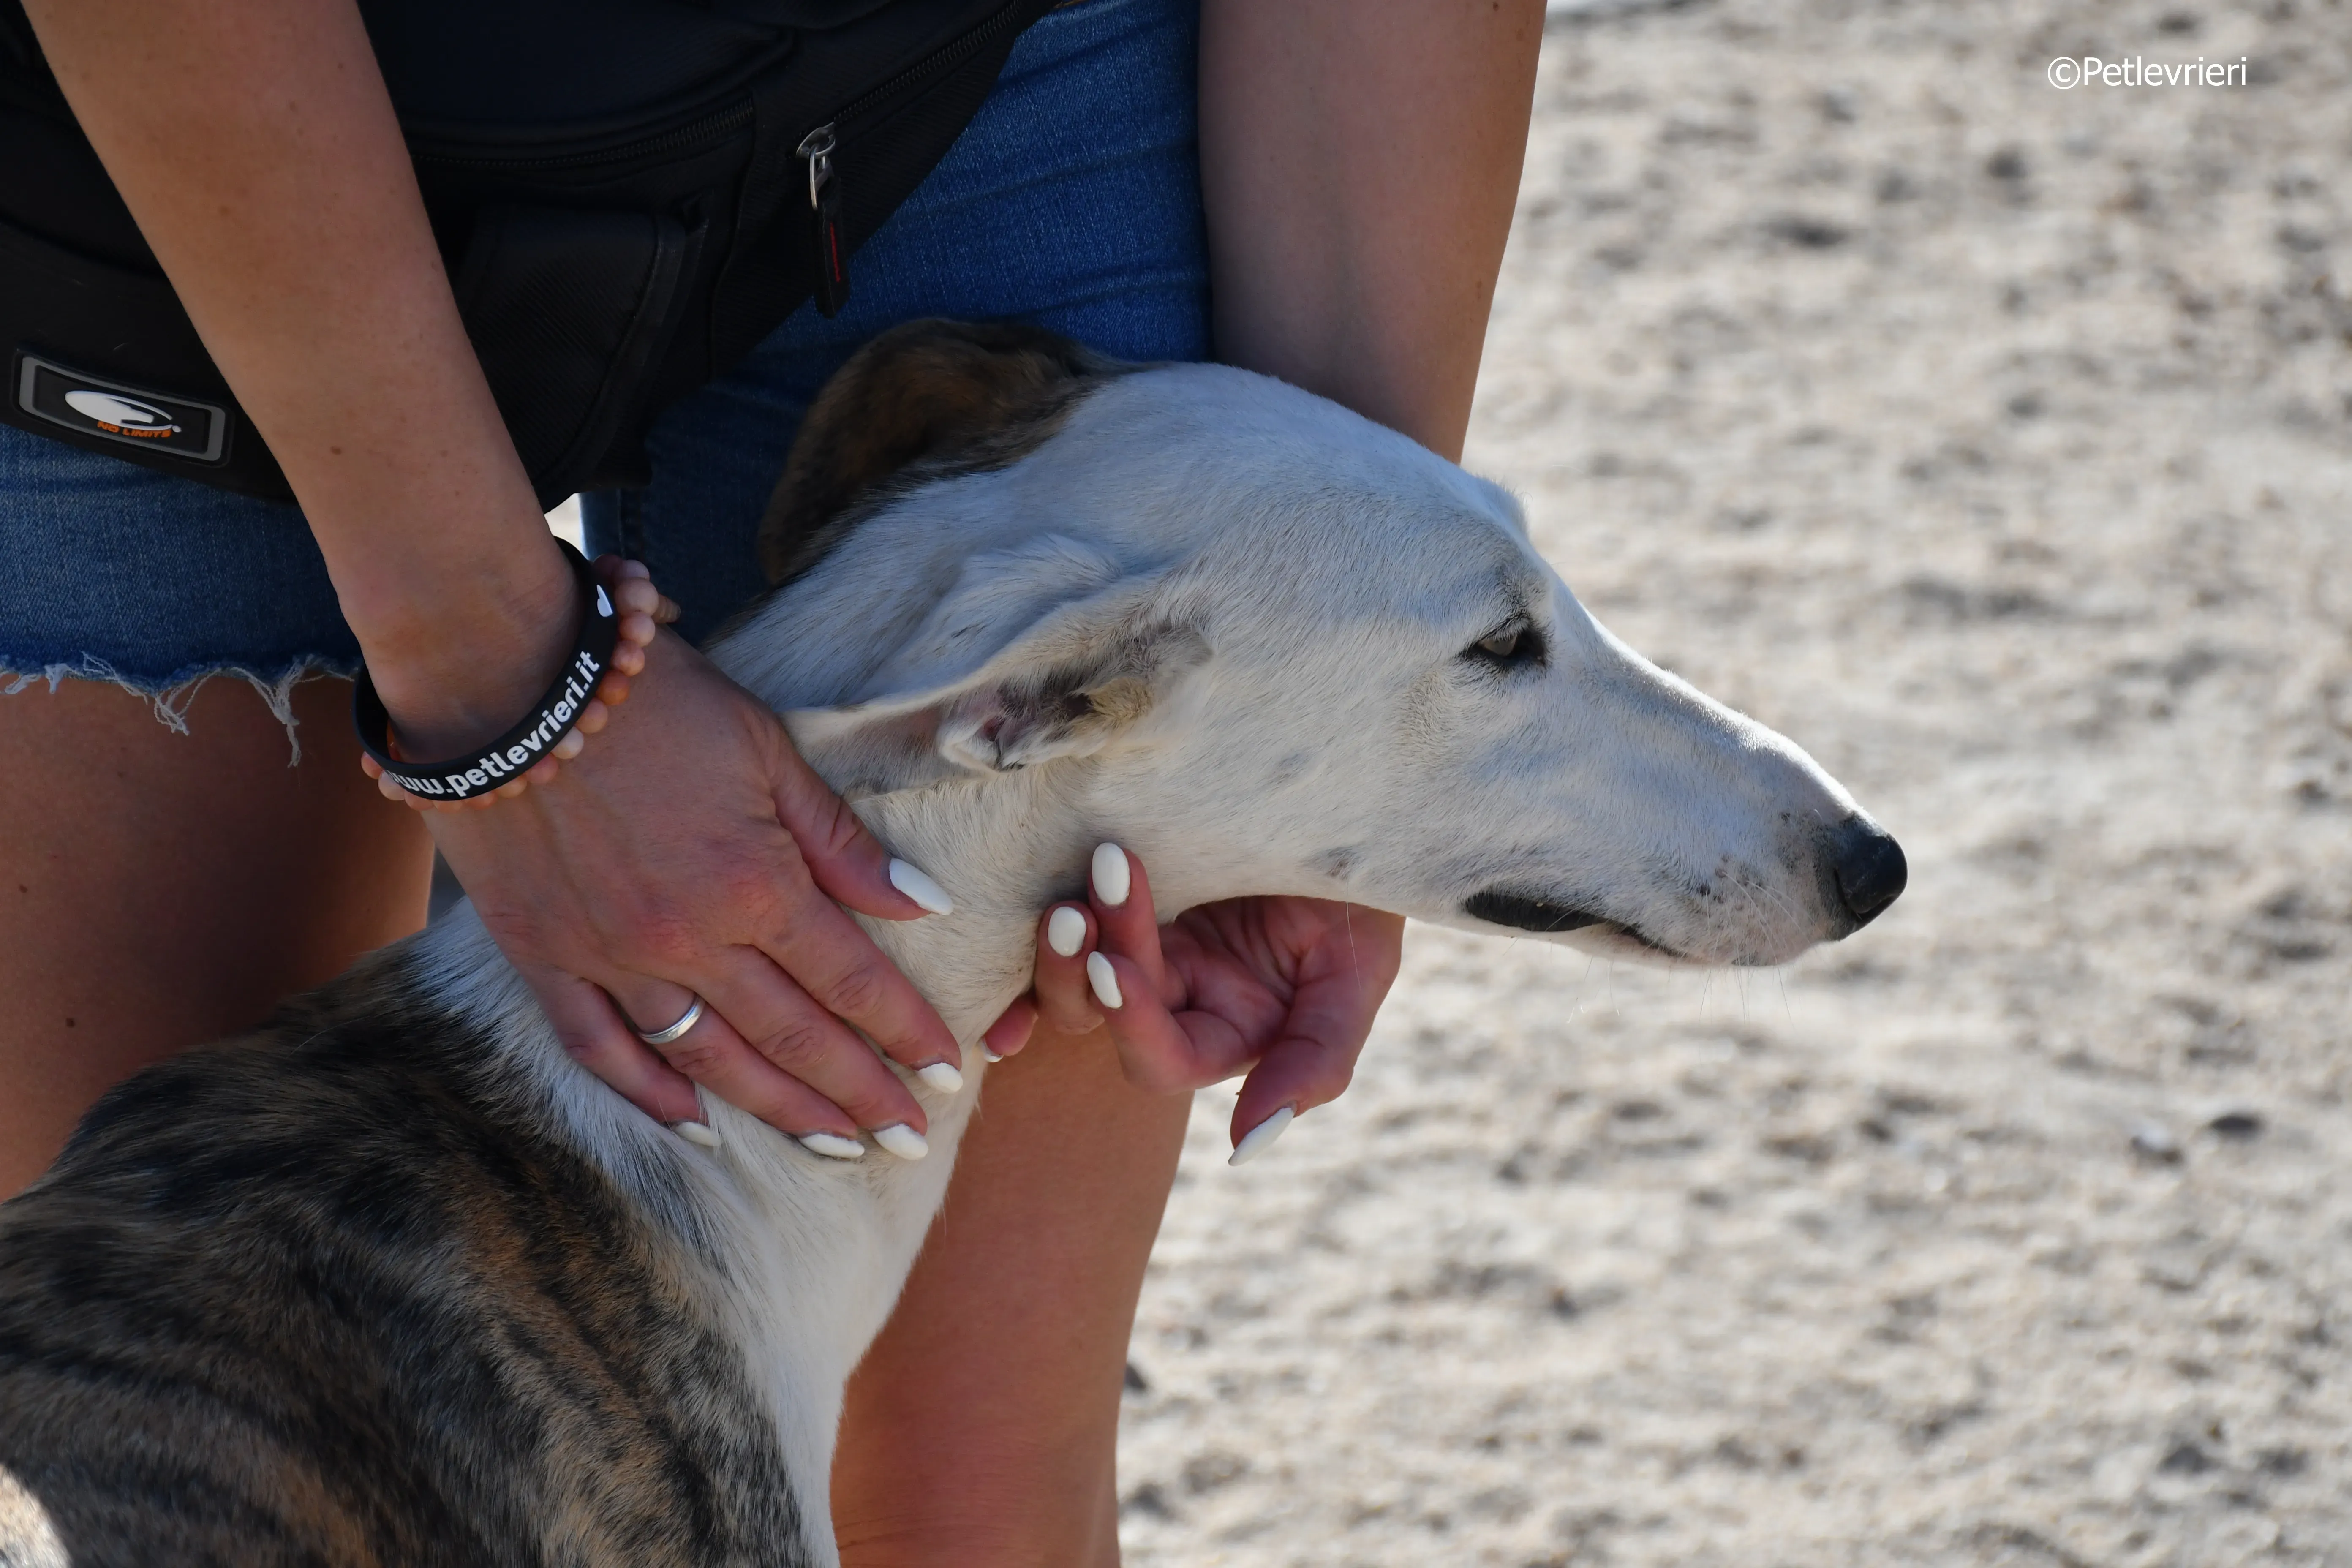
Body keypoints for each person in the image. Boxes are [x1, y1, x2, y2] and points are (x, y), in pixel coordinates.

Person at [0, 0, 1541, 1559]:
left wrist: (1348, 675)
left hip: (969, 78)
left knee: (966, 1500)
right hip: (192, 117)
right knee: (196, 1433)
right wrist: (502, 683)